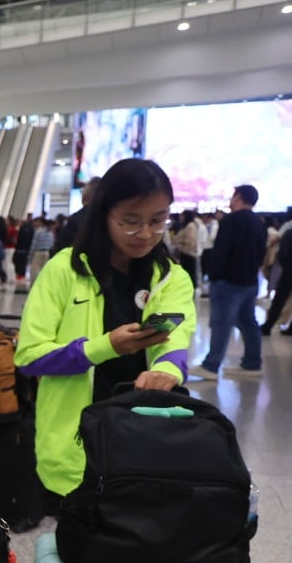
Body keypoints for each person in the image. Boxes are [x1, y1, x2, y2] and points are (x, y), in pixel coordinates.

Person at [14, 158, 194, 497]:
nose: (144, 234)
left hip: (147, 438)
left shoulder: (171, 277)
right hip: (74, 443)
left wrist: (168, 367)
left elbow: (176, 338)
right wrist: (105, 347)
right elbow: (29, 357)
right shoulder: (64, 271)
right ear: (103, 215)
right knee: (80, 539)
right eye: (130, 221)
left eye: (157, 221)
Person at [189, 184, 266, 381]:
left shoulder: (231, 221)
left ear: (239, 197)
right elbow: (260, 254)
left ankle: (211, 366)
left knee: (221, 323)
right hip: (249, 282)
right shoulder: (258, 223)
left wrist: (213, 275)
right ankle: (252, 363)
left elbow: (221, 251)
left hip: (228, 282)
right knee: (249, 323)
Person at [262, 222, 292, 336]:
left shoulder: (291, 233)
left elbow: (283, 253)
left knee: (279, 300)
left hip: (289, 271)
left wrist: (286, 265)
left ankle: (268, 326)